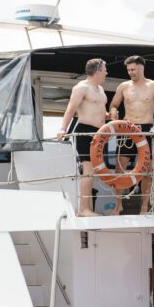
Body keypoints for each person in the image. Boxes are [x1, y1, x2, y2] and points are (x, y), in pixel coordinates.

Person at [109, 55, 154, 214]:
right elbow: (114, 104)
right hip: (127, 128)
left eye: (133, 69)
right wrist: (113, 114)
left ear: (141, 68)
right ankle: (118, 205)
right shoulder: (124, 86)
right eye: (128, 70)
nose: (130, 72)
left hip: (146, 128)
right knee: (120, 168)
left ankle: (144, 207)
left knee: (146, 169)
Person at [57, 58, 109, 217]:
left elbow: (100, 110)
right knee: (88, 170)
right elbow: (71, 109)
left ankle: (87, 208)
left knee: (93, 172)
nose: (107, 72)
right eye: (105, 69)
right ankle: (83, 209)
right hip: (85, 131)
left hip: (99, 133)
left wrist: (108, 116)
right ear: (98, 70)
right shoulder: (81, 87)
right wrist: (62, 129)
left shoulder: (100, 89)